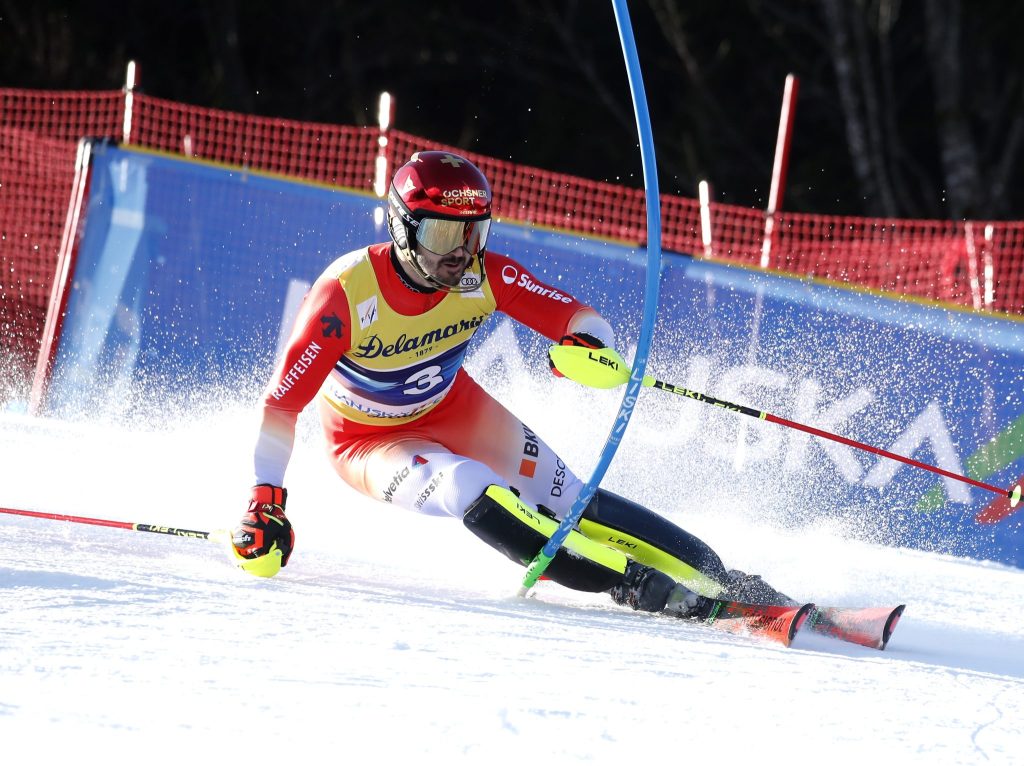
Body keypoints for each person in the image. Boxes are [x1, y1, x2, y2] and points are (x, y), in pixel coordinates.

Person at [231, 150, 789, 617]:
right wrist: (265, 500)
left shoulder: (483, 273)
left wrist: (586, 346)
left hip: (453, 408)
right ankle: (636, 586)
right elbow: (282, 406)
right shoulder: (344, 295)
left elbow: (579, 317)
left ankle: (726, 580)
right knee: (465, 485)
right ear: (402, 228)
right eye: (444, 233)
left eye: (474, 232)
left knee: (567, 496)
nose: (459, 253)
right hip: (368, 441)